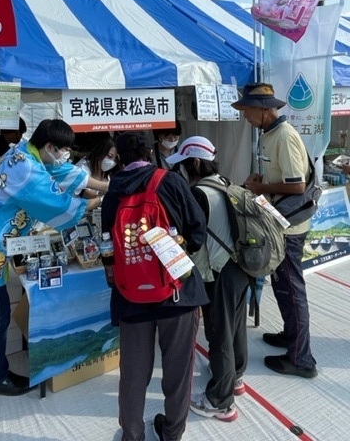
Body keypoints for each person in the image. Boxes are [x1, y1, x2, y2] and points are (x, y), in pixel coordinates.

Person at [0, 119, 107, 396]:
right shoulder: (29, 173)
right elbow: (63, 209)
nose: (66, 155)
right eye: (64, 149)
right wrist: (101, 198)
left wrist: (102, 185)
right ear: (50, 146)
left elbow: (62, 170)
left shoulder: (21, 152)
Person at [101, 131, 208, 441]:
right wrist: (179, 246)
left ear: (118, 157)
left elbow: (108, 247)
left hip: (129, 294)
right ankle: (172, 433)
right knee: (178, 371)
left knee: (133, 374)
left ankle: (132, 434)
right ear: (151, 151)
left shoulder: (113, 192)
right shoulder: (171, 181)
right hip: (176, 292)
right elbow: (198, 231)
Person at [232, 82, 317, 378]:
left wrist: (261, 187)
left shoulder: (283, 135)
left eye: (247, 110)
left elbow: (297, 185)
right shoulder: (268, 134)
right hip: (280, 223)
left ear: (263, 109)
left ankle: (302, 359)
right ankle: (291, 337)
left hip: (291, 226)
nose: (245, 116)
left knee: (292, 289)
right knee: (282, 285)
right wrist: (261, 180)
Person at [167, 136, 249, 423]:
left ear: (196, 162)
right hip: (239, 268)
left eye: (186, 165)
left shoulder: (199, 193)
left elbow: (193, 239)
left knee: (219, 334)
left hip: (217, 272)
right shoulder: (226, 183)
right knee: (235, 327)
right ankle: (235, 377)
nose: (184, 171)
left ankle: (220, 401)